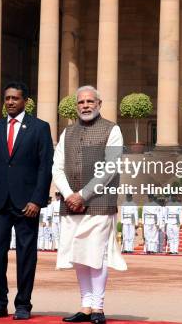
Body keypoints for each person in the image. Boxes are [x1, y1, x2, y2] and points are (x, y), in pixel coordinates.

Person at [53, 85, 127, 324]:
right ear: (76, 106)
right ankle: (85, 306)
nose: (85, 106)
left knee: (96, 254)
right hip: (70, 203)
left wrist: (83, 195)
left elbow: (110, 166)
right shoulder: (67, 132)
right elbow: (58, 167)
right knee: (78, 255)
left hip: (98, 203)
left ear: (99, 104)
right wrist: (68, 194)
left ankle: (98, 307)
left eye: (89, 101)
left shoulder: (112, 130)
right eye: (81, 102)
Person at [0, 81, 53, 320]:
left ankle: (23, 304)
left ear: (25, 101)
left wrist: (37, 200)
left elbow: (45, 168)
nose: (10, 102)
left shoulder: (40, 128)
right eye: (7, 98)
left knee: (26, 255)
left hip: (27, 205)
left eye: (15, 98)